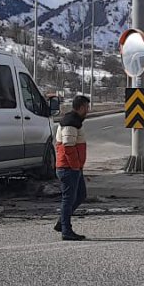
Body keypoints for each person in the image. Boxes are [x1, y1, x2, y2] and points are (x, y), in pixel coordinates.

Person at [54, 95, 89, 241]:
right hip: (68, 168)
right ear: (80, 107)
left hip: (73, 168)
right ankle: (66, 230)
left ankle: (61, 223)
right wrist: (75, 167)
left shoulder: (75, 121)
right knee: (68, 199)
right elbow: (68, 147)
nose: (88, 110)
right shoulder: (70, 123)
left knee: (81, 195)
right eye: (87, 107)